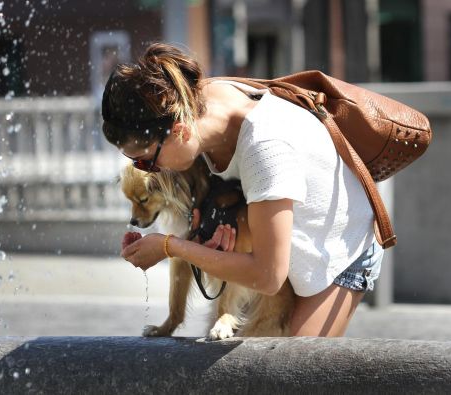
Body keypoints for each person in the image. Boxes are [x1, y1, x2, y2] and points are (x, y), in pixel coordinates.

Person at [100, 43, 383, 337]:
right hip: (282, 244)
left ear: (179, 132)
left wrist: (170, 246)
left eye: (146, 160)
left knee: (290, 373)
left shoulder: (264, 147)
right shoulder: (195, 104)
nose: (150, 171)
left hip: (339, 248)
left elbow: (267, 275)